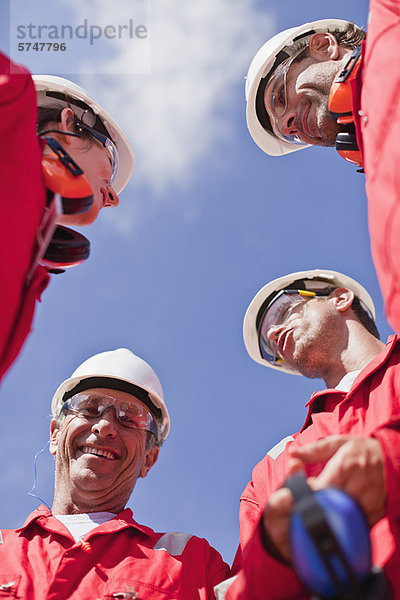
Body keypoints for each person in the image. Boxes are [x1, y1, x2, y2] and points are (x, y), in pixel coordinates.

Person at [215, 269, 400, 600]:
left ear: (341, 298)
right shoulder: (272, 471)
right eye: (270, 344)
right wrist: (276, 554)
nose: (274, 332)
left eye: (282, 311)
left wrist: (390, 457)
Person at [0, 348, 229, 598]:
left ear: (148, 459)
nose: (105, 426)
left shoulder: (194, 565)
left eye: (130, 419)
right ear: (55, 435)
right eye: (89, 407)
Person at [244, 4, 400, 336]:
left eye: (278, 98)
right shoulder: (380, 200)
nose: (289, 125)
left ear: (324, 46)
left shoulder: (393, 29)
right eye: (287, 134)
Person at [0, 51, 134, 382]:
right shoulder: (10, 96)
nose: (113, 198)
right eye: (111, 161)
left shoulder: (29, 280)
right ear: (69, 122)